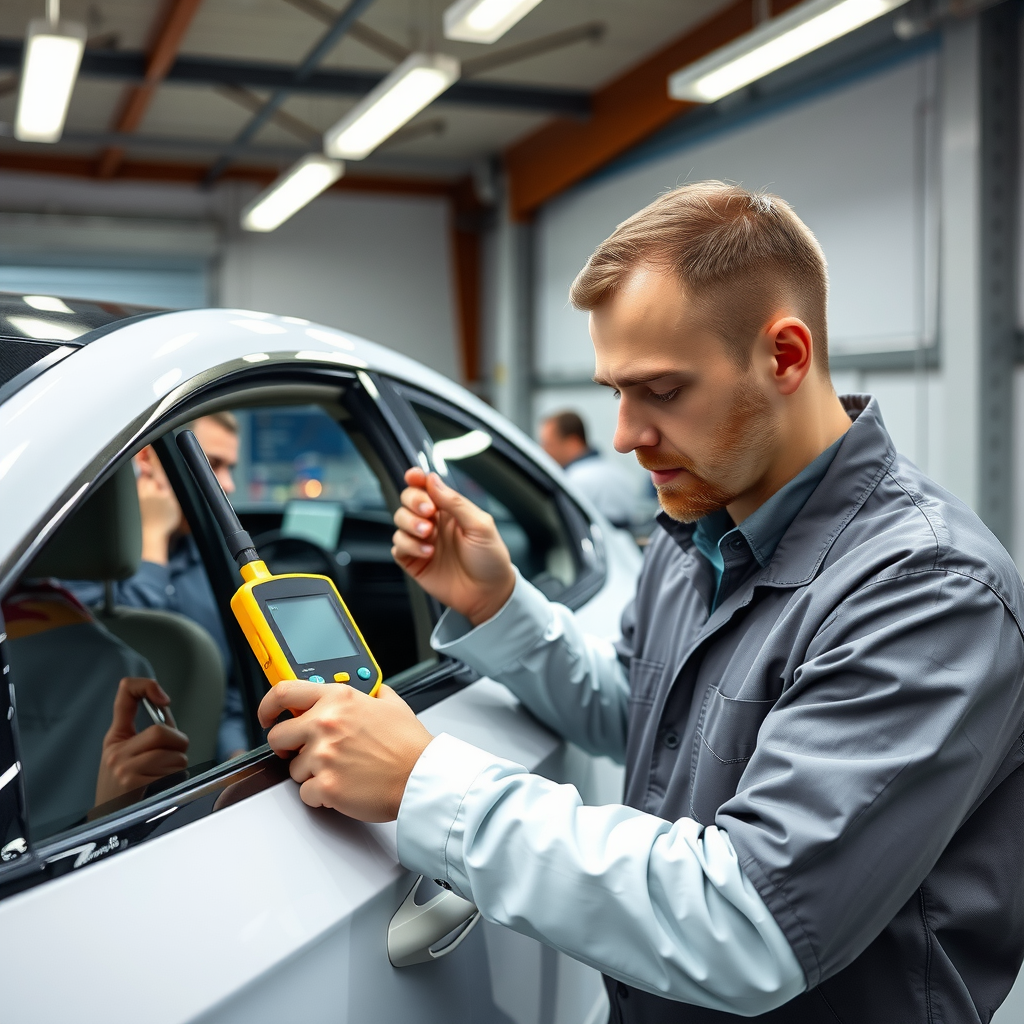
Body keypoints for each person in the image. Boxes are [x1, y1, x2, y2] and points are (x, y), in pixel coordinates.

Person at [256, 183, 1024, 1022]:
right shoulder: (696, 529)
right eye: (614, 390)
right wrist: (498, 603)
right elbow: (641, 714)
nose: (623, 434)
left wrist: (422, 783)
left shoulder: (926, 590)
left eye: (660, 391)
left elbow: (751, 921)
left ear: (787, 357)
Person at [69, 413, 247, 760]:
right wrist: (153, 539)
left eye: (230, 469)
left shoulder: (214, 563)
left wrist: (237, 757)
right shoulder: (80, 564)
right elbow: (132, 658)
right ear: (148, 458)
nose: (228, 485)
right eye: (213, 464)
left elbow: (233, 691)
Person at [540, 410, 639, 528]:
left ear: (573, 442)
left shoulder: (574, 480)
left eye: (548, 444)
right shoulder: (618, 471)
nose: (543, 451)